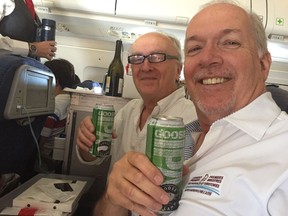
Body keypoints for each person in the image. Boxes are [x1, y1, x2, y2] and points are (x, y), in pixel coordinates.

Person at [91, 1, 288, 216]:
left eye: (230, 42)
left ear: (263, 65)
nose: (207, 58)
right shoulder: (188, 135)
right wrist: (114, 199)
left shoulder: (281, 152)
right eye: (195, 48)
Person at [77, 32, 197, 168]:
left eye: (157, 57)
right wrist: (86, 142)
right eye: (137, 58)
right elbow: (96, 156)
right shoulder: (128, 110)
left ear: (178, 70)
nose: (145, 67)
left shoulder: (192, 120)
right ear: (130, 69)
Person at [38, 58, 75, 172]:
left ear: (55, 81)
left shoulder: (53, 105)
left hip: (44, 159)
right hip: (55, 157)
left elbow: (40, 142)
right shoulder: (70, 99)